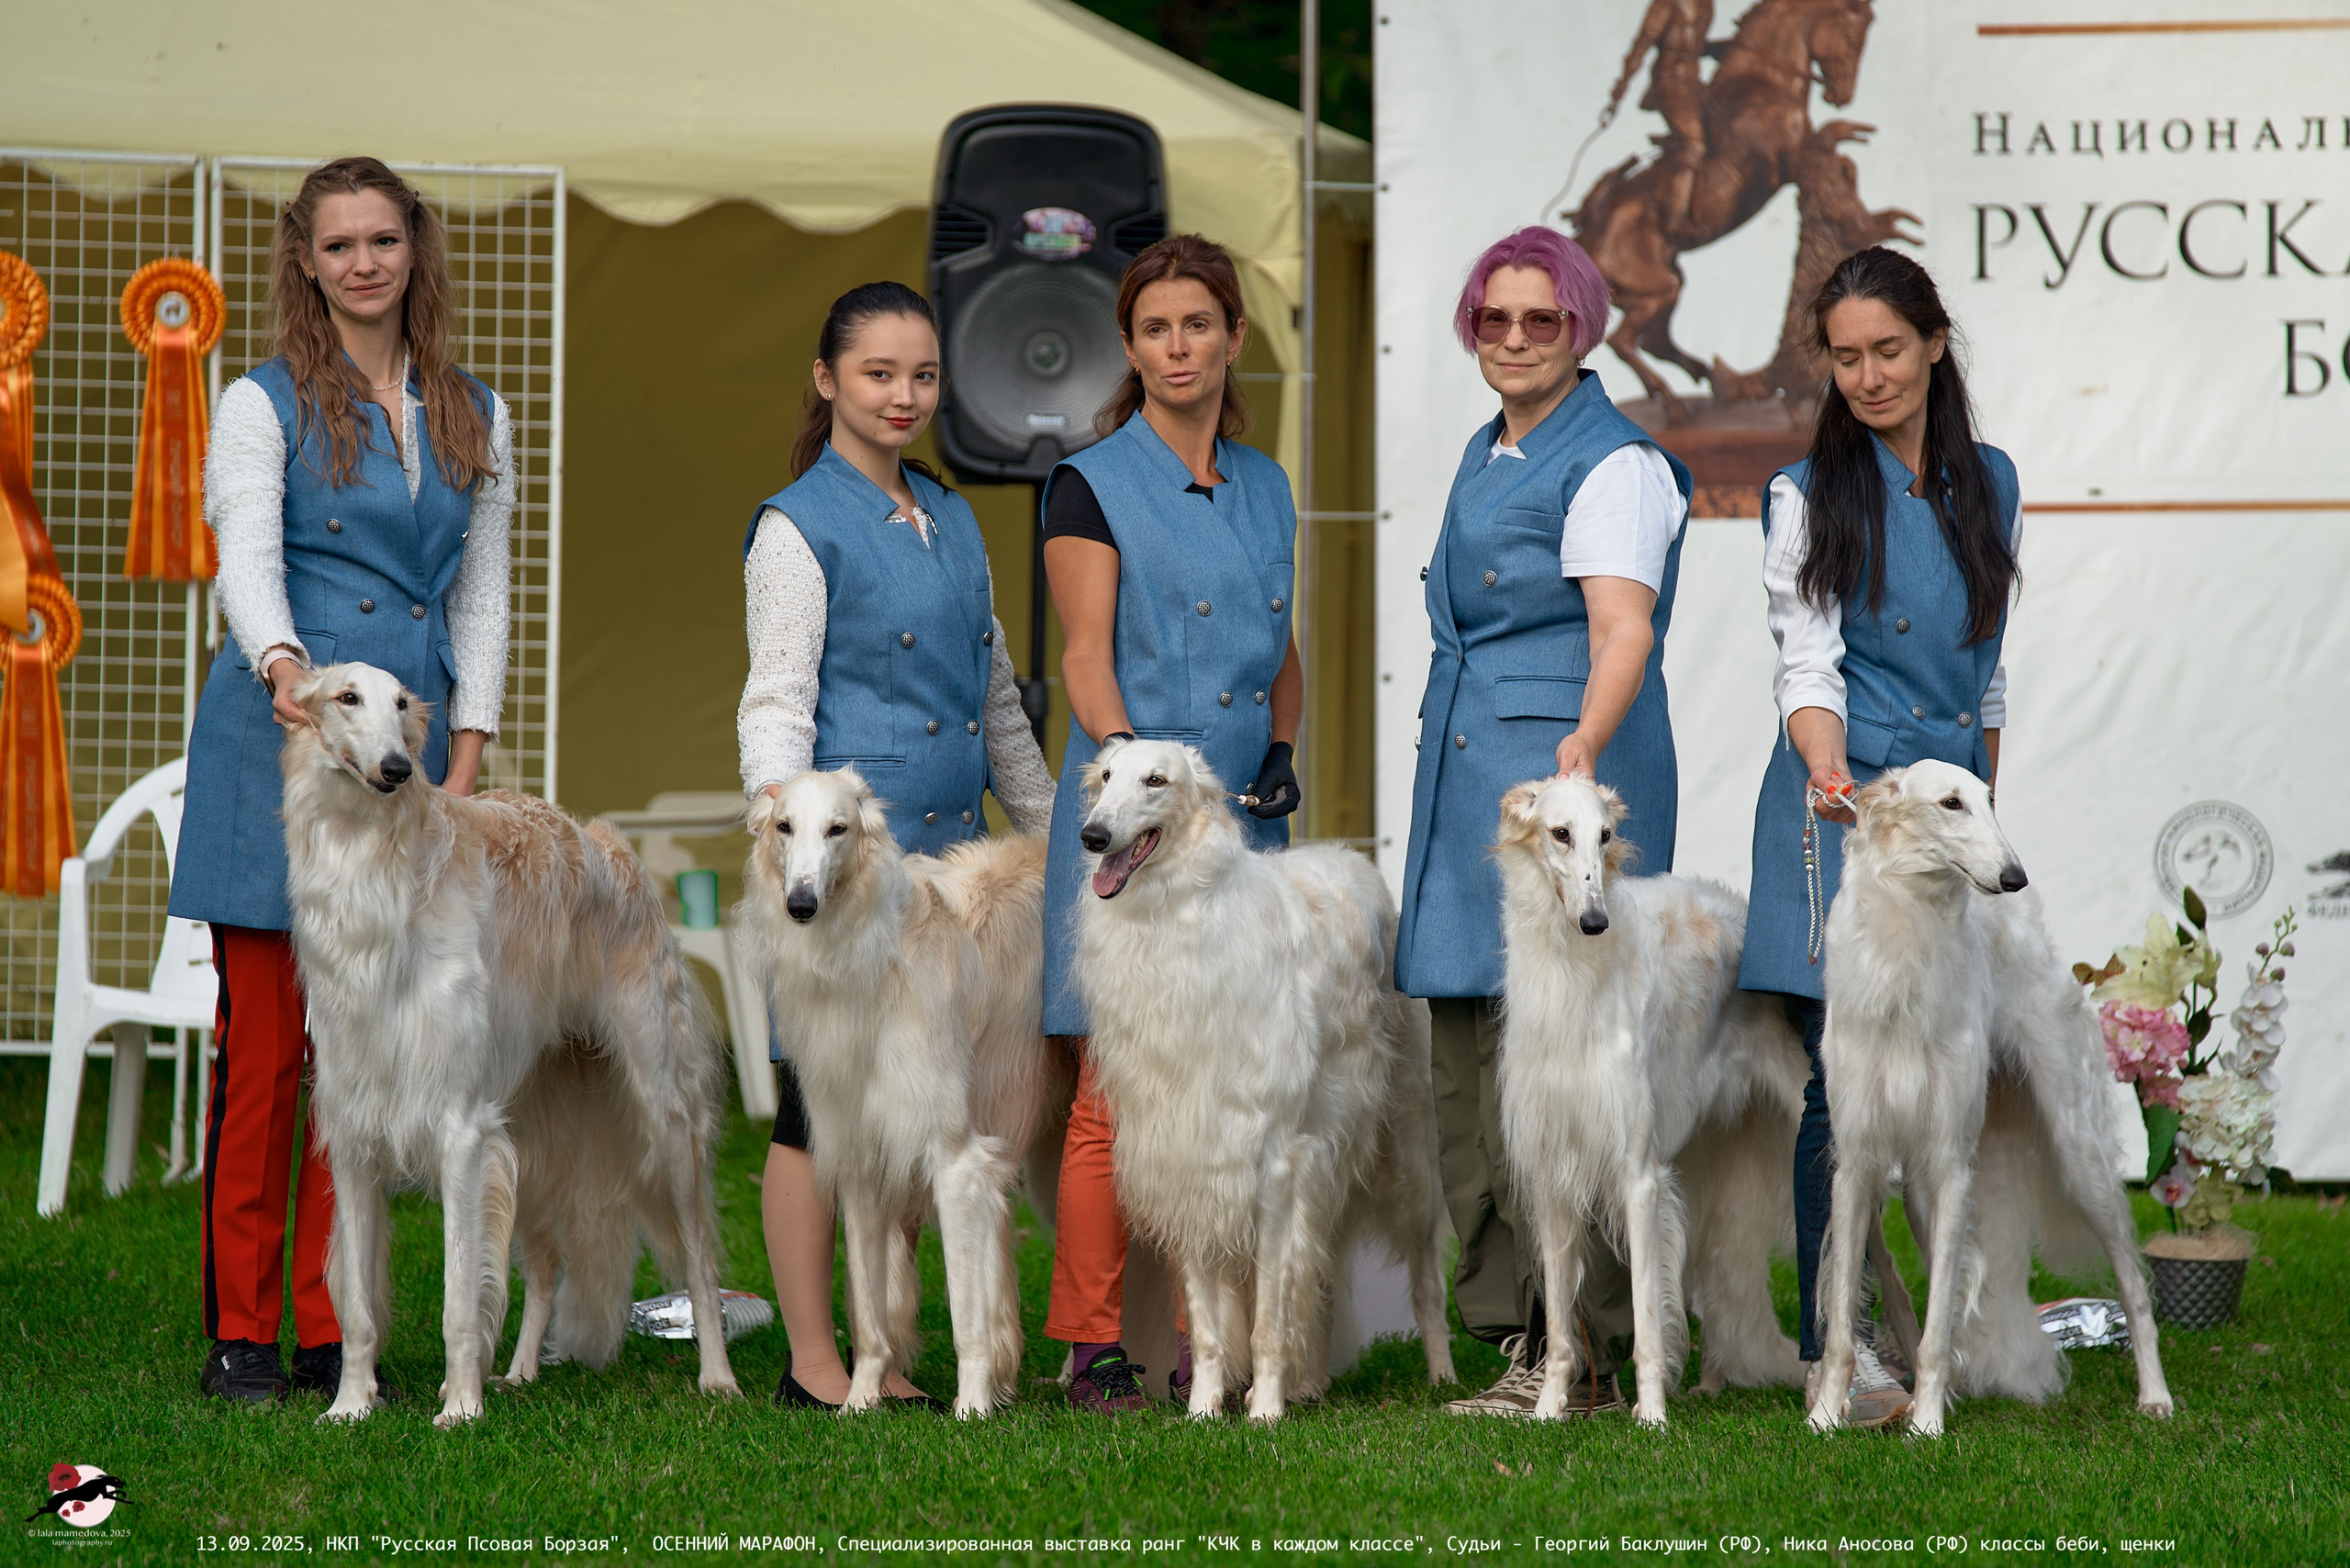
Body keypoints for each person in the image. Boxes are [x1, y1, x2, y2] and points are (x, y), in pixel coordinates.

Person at [173, 156, 514, 1403]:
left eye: (384, 240)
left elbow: (479, 596)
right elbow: (245, 555)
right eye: (339, 245)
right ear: (305, 263)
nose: (364, 263)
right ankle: (245, 1325)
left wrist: (466, 751)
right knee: (267, 1048)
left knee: (364, 1055)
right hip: (290, 748)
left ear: (415, 250)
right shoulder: (261, 403)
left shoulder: (475, 408)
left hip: (406, 768)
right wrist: (280, 659)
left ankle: (337, 1322)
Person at [739, 281, 1054, 1411]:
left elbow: (995, 704)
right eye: (879, 373)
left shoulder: (955, 514)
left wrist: (1058, 837)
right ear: (828, 381)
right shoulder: (794, 525)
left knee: (922, 1105)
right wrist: (787, 847)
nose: (904, 395)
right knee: (809, 1106)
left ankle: (892, 1341)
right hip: (844, 872)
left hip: (952, 873)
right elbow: (775, 701)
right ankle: (814, 1360)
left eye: (923, 374)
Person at [1393, 227, 1691, 1418]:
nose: (1515, 339)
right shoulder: (1488, 448)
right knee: (1476, 1072)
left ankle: (1594, 1348)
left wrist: (1582, 746)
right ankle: (1522, 1337)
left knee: (1577, 1082)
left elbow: (1623, 629)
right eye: (1494, 319)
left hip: (1559, 795)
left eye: (1543, 320)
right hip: (1473, 794)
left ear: (1585, 330)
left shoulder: (1614, 462)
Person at [1737, 245, 2020, 1429]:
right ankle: (1834, 1347)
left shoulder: (1993, 480)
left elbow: (1987, 682)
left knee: (1945, 1080)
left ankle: (1940, 1332)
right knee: (1836, 1089)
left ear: (1934, 343)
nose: (1867, 375)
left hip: (1947, 823)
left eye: (1887, 350)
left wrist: (1978, 820)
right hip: (1843, 818)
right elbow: (1807, 663)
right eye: (1845, 356)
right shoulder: (1807, 491)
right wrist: (1825, 766)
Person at [1038, 233, 1304, 1414]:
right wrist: (1126, 785)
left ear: (1234, 337)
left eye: (1198, 324)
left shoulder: (1268, 482)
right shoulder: (1090, 479)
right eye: (1154, 329)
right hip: (1134, 822)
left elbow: (1282, 648)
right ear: (1130, 346)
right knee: (1116, 1085)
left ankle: (1216, 1344)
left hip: (1243, 828)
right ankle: (1093, 1346)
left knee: (1239, 1087)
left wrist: (1287, 748)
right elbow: (1085, 658)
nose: (1178, 345)